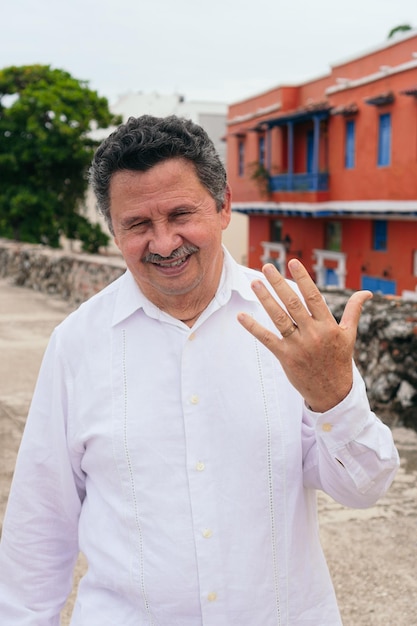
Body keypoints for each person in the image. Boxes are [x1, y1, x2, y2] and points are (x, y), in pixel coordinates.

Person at [0, 115, 399, 626]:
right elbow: (40, 523)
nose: (164, 243)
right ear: (113, 229)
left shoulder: (298, 327)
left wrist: (334, 395)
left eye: (181, 214)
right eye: (138, 225)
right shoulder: (76, 344)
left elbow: (364, 489)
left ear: (224, 205)